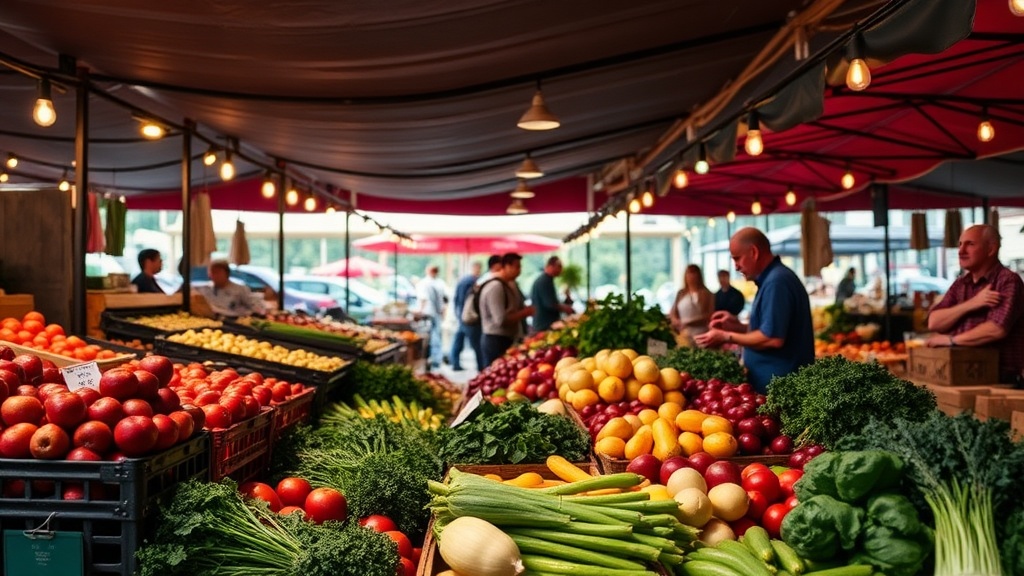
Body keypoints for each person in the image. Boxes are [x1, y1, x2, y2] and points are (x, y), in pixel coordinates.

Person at [694, 227, 814, 394]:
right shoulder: (773, 279)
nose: (735, 267)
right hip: (775, 385)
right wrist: (737, 326)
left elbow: (772, 338)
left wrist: (726, 336)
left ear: (754, 252)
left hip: (780, 388)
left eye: (737, 259)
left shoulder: (776, 282)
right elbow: (772, 329)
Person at [925, 224, 1024, 384]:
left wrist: (951, 340)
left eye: (970, 244)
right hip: (965, 375)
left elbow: (996, 329)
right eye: (960, 244)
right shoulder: (961, 283)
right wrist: (972, 303)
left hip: (1002, 380)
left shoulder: (1007, 280)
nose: (961, 251)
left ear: (991, 249)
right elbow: (934, 322)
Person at [480, 253, 535, 366]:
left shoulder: (509, 285)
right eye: (517, 267)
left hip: (504, 339)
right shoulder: (496, 287)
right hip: (495, 341)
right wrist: (525, 313)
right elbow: (500, 320)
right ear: (506, 266)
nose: (520, 271)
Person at [195, 259, 265, 318]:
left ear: (227, 273)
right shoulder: (205, 289)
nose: (214, 275)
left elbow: (255, 306)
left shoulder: (240, 289)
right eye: (211, 272)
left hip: (235, 320)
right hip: (213, 320)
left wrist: (258, 313)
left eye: (217, 272)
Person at [448, 261, 483, 371]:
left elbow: (456, 299)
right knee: (477, 344)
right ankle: (481, 366)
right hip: (469, 318)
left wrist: (458, 313)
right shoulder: (472, 282)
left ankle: (455, 362)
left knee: (458, 341)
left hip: (461, 316)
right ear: (476, 268)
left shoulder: (462, 280)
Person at [669, 264, 715, 341]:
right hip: (683, 333)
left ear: (699, 276)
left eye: (694, 273)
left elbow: (709, 314)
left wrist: (689, 322)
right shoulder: (681, 293)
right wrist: (675, 321)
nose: (691, 276)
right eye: (689, 273)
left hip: (701, 333)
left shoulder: (707, 294)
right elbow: (673, 311)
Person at [529, 256, 574, 333]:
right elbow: (550, 304)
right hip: (544, 325)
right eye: (559, 267)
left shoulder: (547, 280)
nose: (561, 270)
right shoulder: (544, 281)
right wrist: (566, 308)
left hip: (545, 324)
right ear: (550, 266)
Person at [416, 264, 448, 370]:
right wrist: (443, 314)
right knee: (436, 337)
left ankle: (430, 359)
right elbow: (444, 301)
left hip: (427, 314)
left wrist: (419, 312)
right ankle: (436, 359)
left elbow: (423, 299)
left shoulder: (424, 283)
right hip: (436, 314)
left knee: (429, 338)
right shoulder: (440, 283)